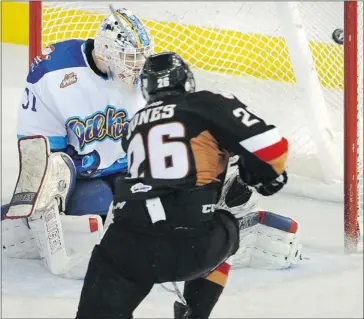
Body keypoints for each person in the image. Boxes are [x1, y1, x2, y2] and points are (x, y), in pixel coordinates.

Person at [75, 52, 292, 319]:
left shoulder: (132, 126)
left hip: (126, 244)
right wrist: (263, 176)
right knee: (227, 221)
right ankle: (196, 314)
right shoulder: (206, 103)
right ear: (186, 81)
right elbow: (272, 148)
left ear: (147, 87)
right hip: (192, 244)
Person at [1, 7, 153, 279]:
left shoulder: (143, 78)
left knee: (149, 214)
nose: (137, 66)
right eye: (128, 58)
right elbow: (41, 147)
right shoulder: (54, 71)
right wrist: (48, 193)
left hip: (126, 170)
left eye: (139, 58)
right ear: (105, 49)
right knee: (96, 213)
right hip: (83, 176)